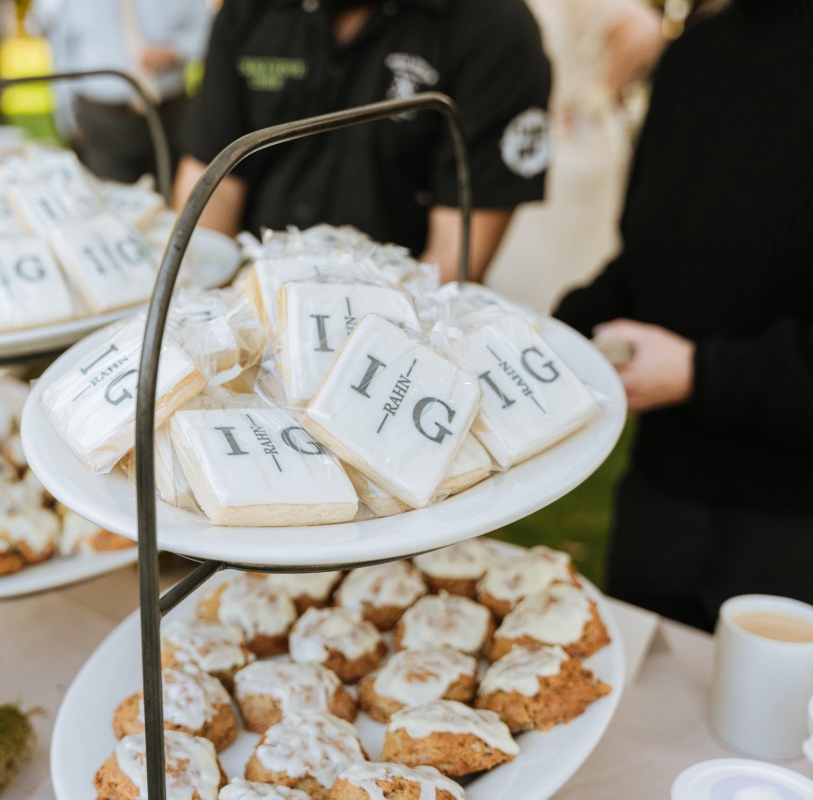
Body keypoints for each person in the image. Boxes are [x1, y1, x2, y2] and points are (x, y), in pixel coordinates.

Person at [553, 0, 813, 633]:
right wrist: (556, 332)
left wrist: (704, 372)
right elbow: (654, 251)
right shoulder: (696, 54)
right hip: (660, 506)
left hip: (792, 537)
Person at [174, 0, 552, 283]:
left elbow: (454, 258)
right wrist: (218, 302)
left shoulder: (495, 27)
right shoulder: (249, 9)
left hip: (395, 319)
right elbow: (210, 180)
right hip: (249, 291)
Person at [483, 0, 665, 310]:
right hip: (541, 143)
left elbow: (644, 32)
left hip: (569, 150)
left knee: (551, 280)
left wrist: (598, 96)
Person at [31, 0, 213, 184]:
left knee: (175, 194)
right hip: (103, 118)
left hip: (171, 114)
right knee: (112, 197)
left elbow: (208, 28)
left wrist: (176, 50)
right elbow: (62, 47)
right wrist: (66, 114)